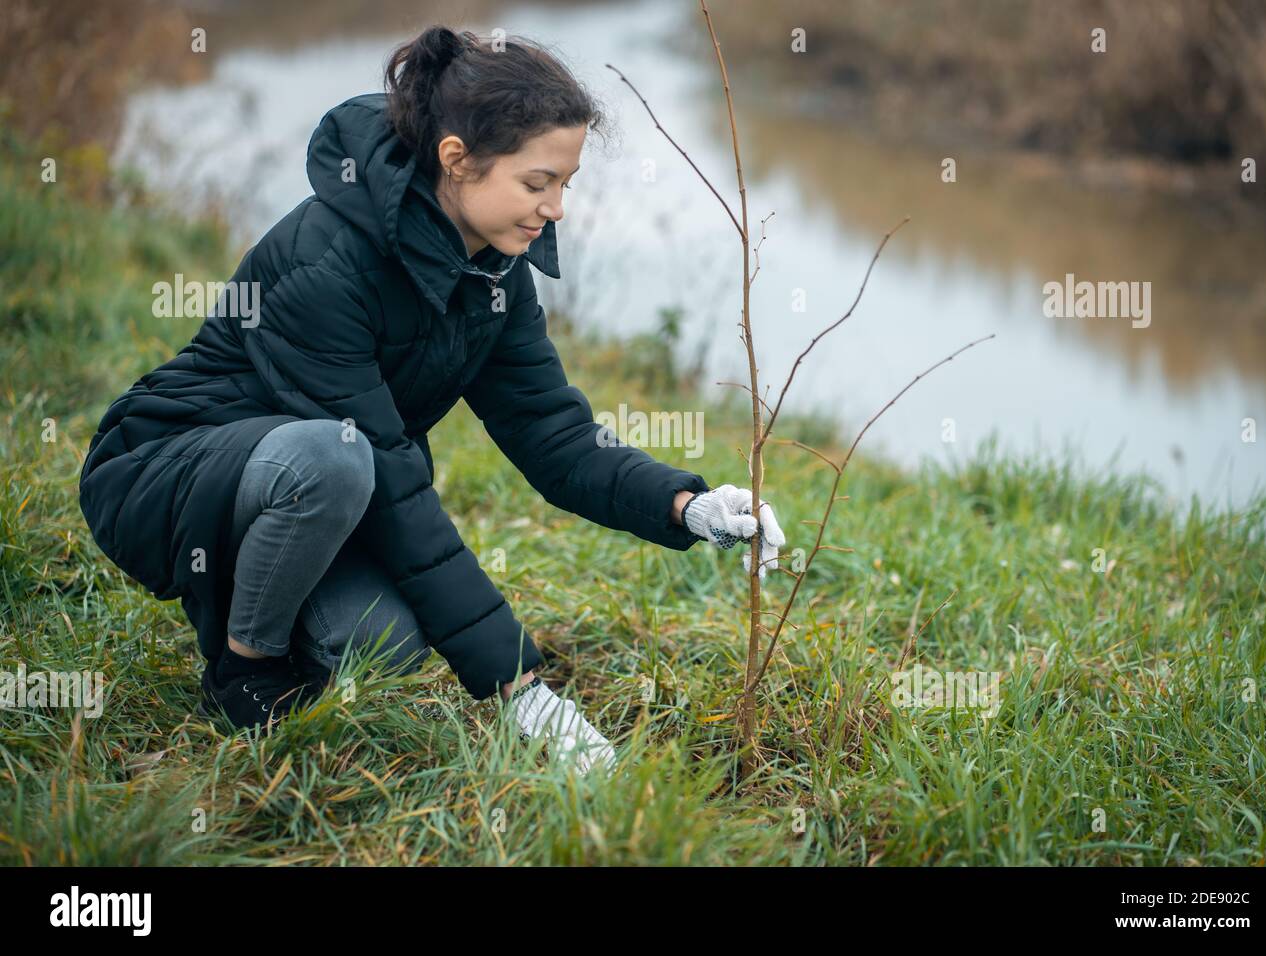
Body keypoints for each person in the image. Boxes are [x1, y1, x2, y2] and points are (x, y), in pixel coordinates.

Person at [78, 25, 785, 776]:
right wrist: (519, 687)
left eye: (565, 185)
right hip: (168, 469)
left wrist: (688, 506)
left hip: (312, 482)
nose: (557, 210)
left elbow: (552, 432)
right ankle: (242, 665)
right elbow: (385, 477)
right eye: (537, 183)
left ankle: (257, 594)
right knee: (336, 458)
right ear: (457, 160)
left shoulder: (492, 273)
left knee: (379, 645)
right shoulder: (329, 263)